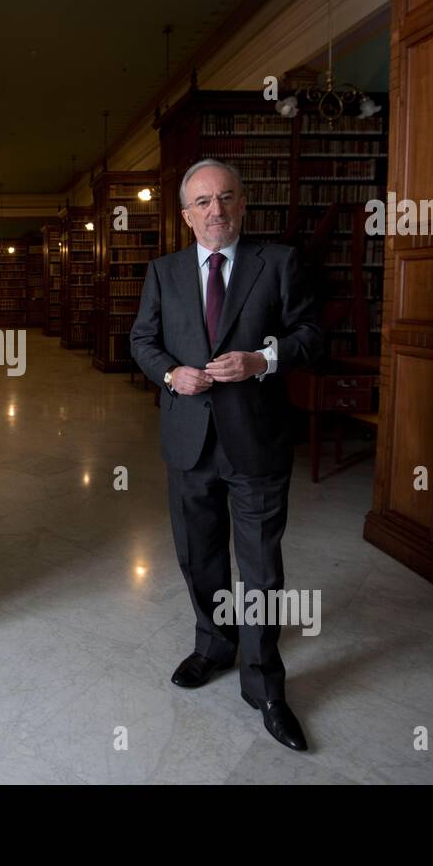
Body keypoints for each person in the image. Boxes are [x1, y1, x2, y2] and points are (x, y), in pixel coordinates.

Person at [129, 158, 323, 751]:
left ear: (243, 205)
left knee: (261, 568)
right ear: (186, 216)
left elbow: (312, 336)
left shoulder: (280, 262)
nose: (217, 211)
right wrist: (170, 376)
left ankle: (264, 684)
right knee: (199, 555)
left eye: (227, 199)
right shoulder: (162, 272)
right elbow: (143, 340)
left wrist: (260, 361)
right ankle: (214, 645)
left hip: (256, 441)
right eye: (204, 203)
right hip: (188, 441)